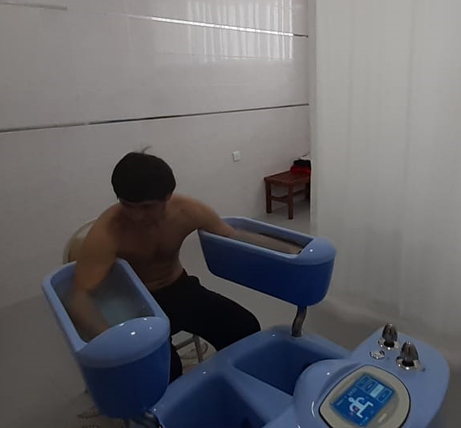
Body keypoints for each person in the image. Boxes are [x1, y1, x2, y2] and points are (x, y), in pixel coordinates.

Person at [70, 152, 302, 381]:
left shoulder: (187, 211)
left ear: (167, 197)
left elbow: (232, 234)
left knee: (244, 327)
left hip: (179, 287)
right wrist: (114, 343)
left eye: (147, 207)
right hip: (137, 302)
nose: (136, 216)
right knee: (165, 370)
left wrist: (293, 250)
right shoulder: (107, 232)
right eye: (127, 205)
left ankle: (232, 385)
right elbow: (79, 296)